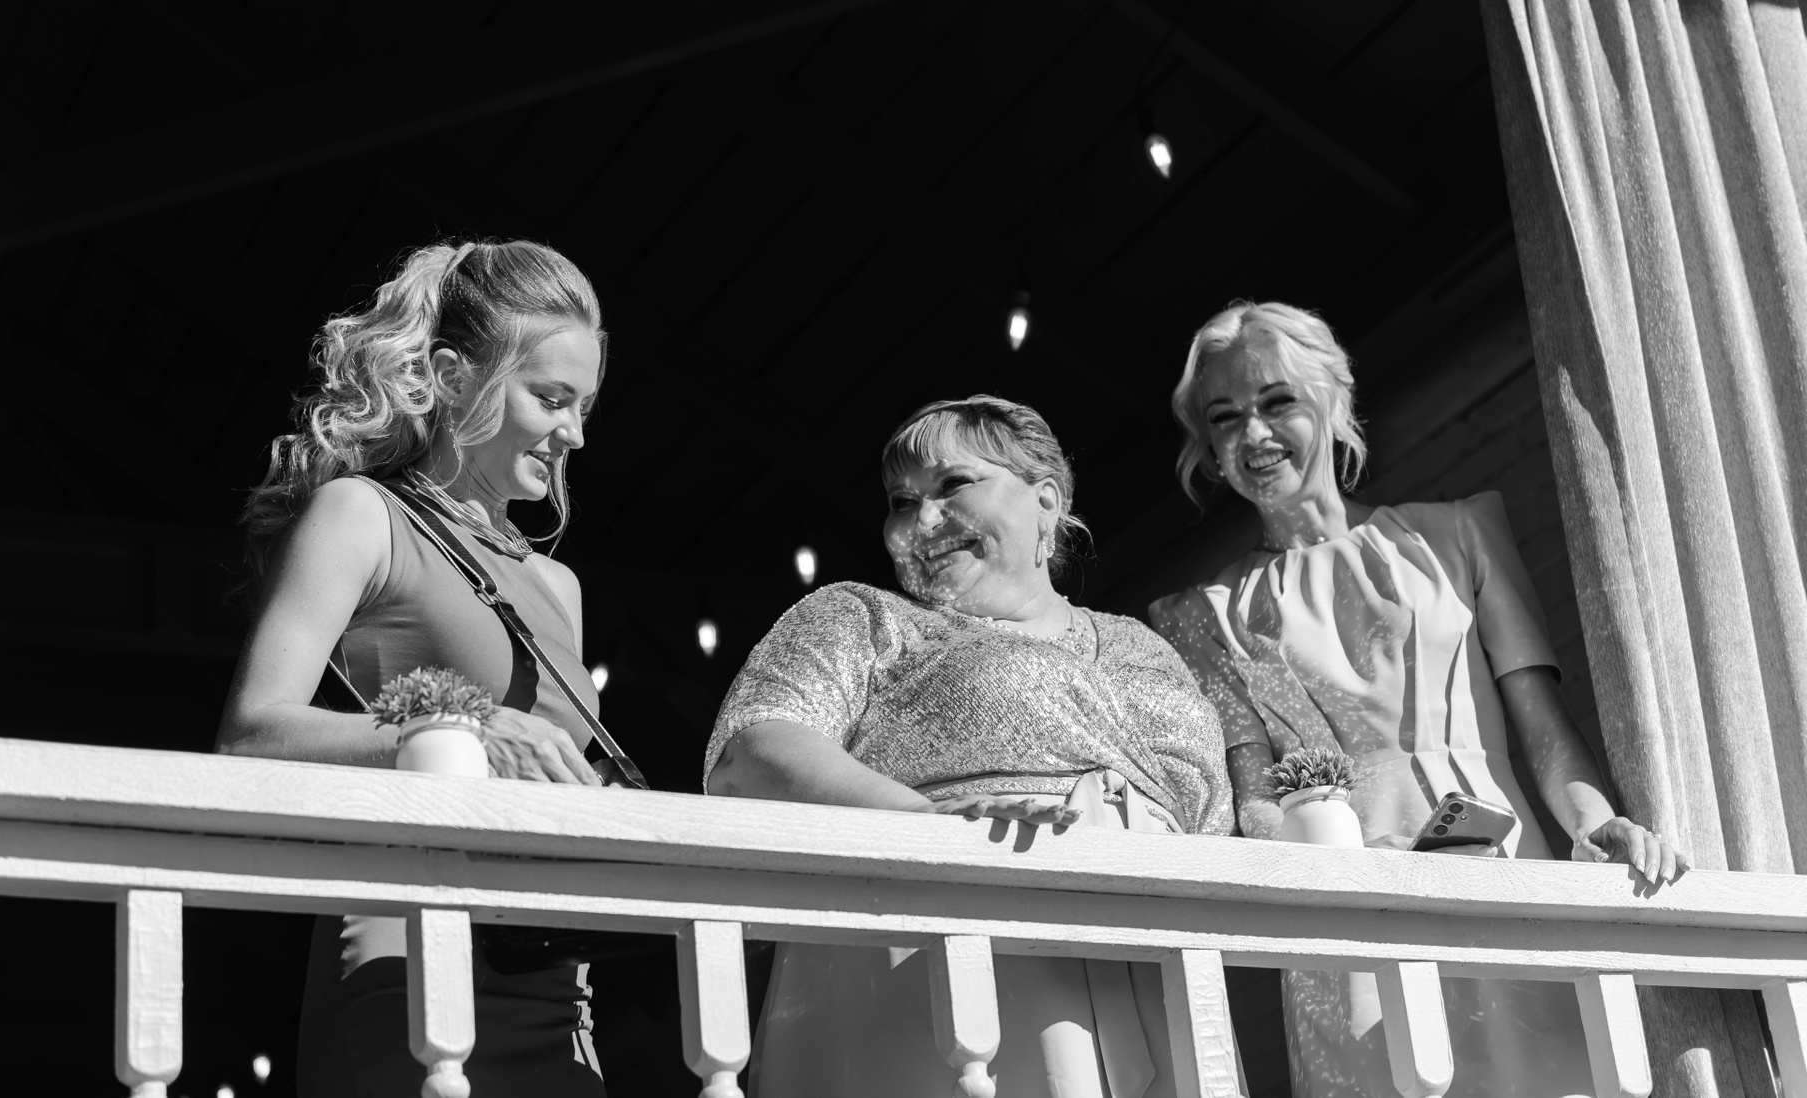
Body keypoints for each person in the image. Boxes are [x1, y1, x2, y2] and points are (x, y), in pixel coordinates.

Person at [1150, 300, 1688, 1098]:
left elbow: (1540, 723)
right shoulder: (1205, 615)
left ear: (1333, 399)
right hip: (1349, 919)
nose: (1253, 434)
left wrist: (1591, 821)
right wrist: (1329, 867)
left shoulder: (1458, 533)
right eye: (1224, 418)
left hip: (1502, 872)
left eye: (1276, 401)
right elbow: (1253, 797)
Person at [706, 395, 1232, 1098]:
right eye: (901, 501)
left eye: (953, 484)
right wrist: (929, 826)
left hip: (1157, 968)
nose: (922, 520)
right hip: (936, 961)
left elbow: (1209, 815)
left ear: (1046, 501)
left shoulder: (1143, 647)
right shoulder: (864, 616)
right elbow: (752, 750)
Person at [216, 239, 610, 1098]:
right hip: (407, 958)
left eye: (584, 407)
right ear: (452, 377)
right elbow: (250, 735)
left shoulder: (560, 587)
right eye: (550, 399)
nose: (574, 434)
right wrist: (465, 732)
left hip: (556, 986)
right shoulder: (361, 515)